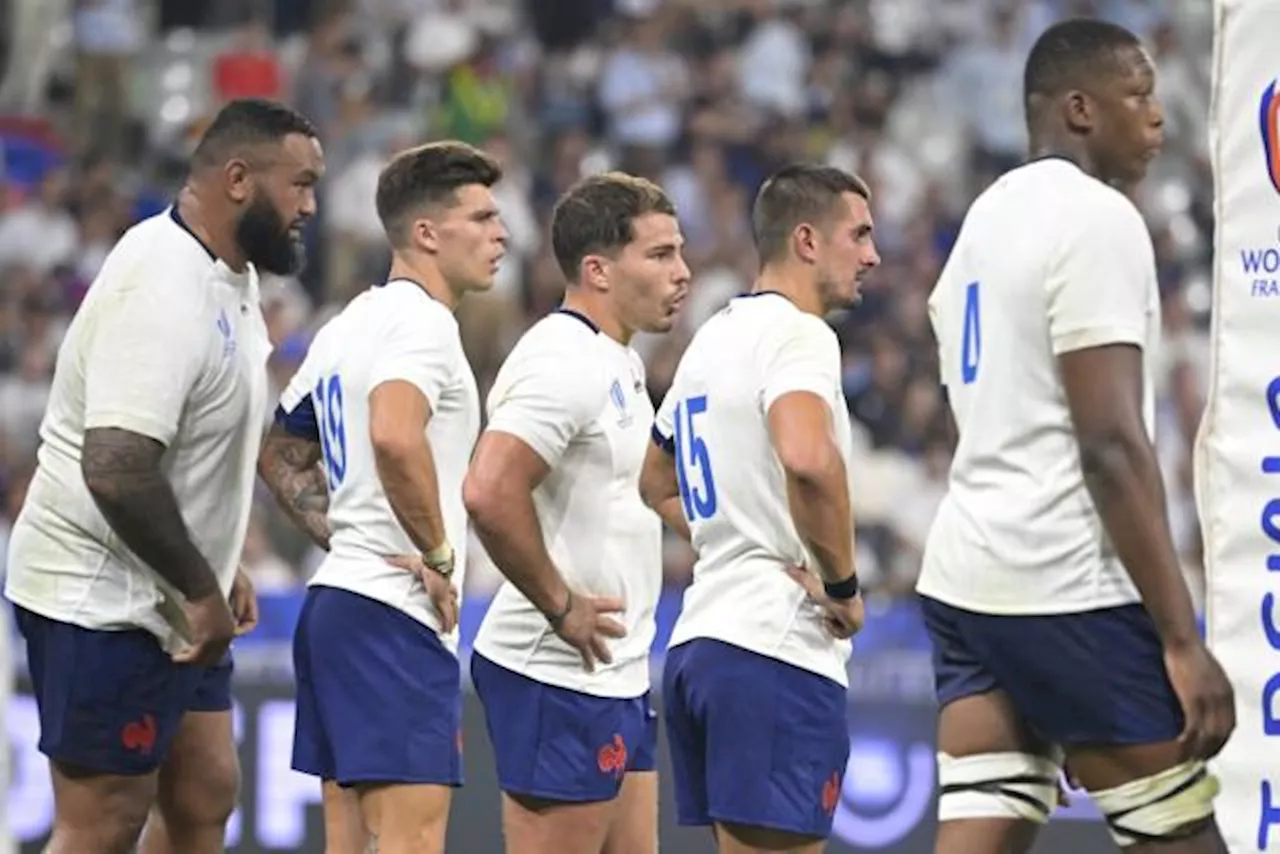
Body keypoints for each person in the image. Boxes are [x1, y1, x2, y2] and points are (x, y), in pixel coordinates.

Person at [917, 18, 1235, 854]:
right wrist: (1180, 639)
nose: (1159, 116)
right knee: (1183, 835)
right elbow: (1109, 444)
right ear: (1080, 109)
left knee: (983, 829)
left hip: (966, 581)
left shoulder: (981, 222)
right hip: (1064, 583)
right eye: (1139, 95)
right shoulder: (1097, 218)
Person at [3, 98, 323, 854]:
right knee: (104, 820)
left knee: (203, 794)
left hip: (169, 590)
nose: (311, 205)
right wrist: (199, 586)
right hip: (101, 597)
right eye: (300, 184)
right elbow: (115, 467)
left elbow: (201, 438)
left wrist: (219, 557)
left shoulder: (229, 272)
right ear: (238, 178)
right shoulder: (162, 284)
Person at [257, 141, 508, 854]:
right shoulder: (423, 325)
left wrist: (350, 540)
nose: (502, 234)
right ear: (426, 233)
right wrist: (433, 550)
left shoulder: (348, 323)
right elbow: (395, 436)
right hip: (392, 617)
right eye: (482, 217)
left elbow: (280, 453)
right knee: (410, 841)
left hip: (337, 604)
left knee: (350, 841)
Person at [637, 163, 880, 854]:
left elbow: (655, 479)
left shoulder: (712, 338)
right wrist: (843, 587)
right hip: (774, 646)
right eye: (858, 235)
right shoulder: (800, 336)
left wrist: (727, 537)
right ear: (806, 240)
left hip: (702, 644)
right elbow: (808, 457)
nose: (873, 255)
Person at [463, 172, 690, 854]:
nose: (683, 273)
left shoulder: (614, 359)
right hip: (554, 671)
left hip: (611, 671)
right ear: (597, 269)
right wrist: (561, 606)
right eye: (659, 255)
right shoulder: (560, 360)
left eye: (678, 252)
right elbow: (489, 489)